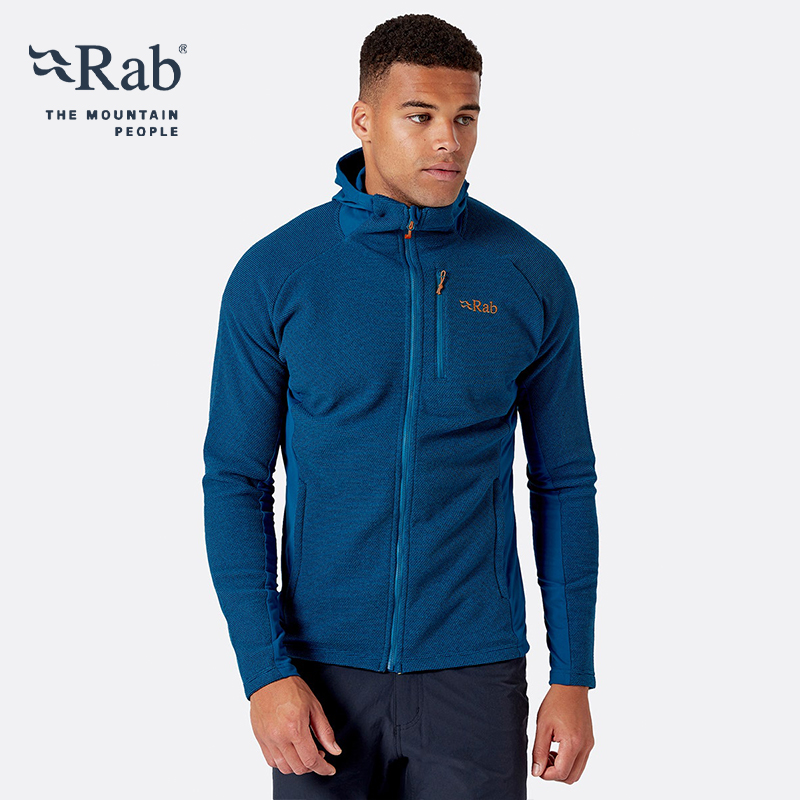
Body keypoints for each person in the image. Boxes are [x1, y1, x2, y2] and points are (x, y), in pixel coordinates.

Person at [202, 13, 599, 799]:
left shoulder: (529, 274)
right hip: (318, 675)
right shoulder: (277, 273)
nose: (448, 140)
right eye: (420, 116)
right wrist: (263, 672)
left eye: (465, 117)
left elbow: (564, 482)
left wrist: (574, 673)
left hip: (474, 673)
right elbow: (235, 481)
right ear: (364, 119)